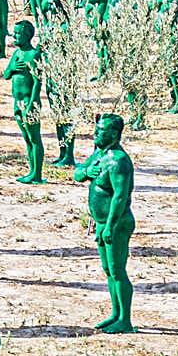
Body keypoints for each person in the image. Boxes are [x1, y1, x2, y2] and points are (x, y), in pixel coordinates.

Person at [74, 114, 136, 334]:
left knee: (118, 270)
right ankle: (115, 313)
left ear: (114, 134)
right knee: (108, 270)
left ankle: (125, 320)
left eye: (101, 131)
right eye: (96, 129)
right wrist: (85, 172)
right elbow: (77, 173)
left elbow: (120, 196)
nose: (96, 133)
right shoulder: (99, 154)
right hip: (102, 222)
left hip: (116, 223)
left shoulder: (118, 161)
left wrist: (110, 225)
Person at [3, 21, 44, 185]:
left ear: (27, 35)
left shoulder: (33, 55)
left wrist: (32, 103)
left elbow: (37, 82)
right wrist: (12, 68)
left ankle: (37, 174)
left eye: (18, 33)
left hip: (28, 102)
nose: (14, 36)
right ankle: (32, 170)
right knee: (27, 138)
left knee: (34, 138)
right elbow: (6, 75)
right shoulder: (17, 54)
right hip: (17, 101)